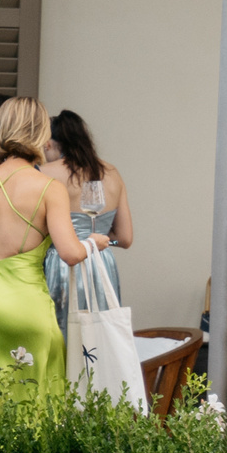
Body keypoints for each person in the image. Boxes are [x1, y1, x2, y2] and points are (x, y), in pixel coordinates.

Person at [0, 98, 105, 402]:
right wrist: (93, 243)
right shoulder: (48, 187)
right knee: (31, 398)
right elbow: (70, 253)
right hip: (25, 304)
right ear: (40, 135)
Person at [41, 111, 134, 330]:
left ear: (49, 144)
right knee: (99, 335)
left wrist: (79, 241)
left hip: (62, 261)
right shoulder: (111, 172)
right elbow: (125, 238)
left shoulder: (44, 173)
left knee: (63, 331)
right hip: (102, 261)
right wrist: (99, 241)